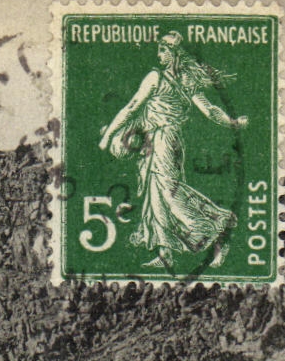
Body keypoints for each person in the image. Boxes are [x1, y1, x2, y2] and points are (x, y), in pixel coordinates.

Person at [99, 32, 248, 270]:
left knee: (168, 192)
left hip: (163, 139)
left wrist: (108, 136)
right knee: (156, 196)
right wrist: (232, 122)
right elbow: (209, 110)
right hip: (165, 141)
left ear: (174, 53)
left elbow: (132, 106)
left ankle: (213, 230)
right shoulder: (186, 80)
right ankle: (166, 253)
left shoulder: (156, 77)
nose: (159, 55)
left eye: (163, 50)